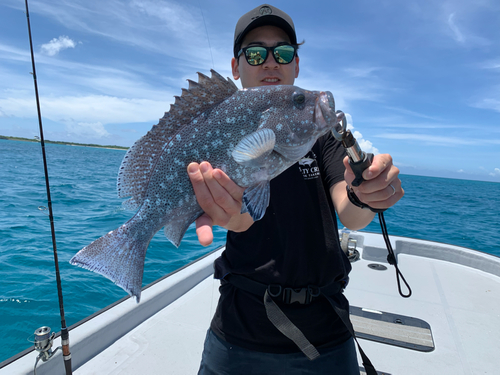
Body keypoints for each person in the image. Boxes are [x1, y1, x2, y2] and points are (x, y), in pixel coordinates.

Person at [188, 4, 403, 374]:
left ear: (297, 65)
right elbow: (237, 216)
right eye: (255, 53)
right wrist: (234, 218)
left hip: (325, 335)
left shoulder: (320, 134)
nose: (270, 62)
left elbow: (350, 212)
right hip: (237, 332)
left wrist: (365, 194)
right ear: (236, 67)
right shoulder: (216, 131)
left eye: (283, 52)